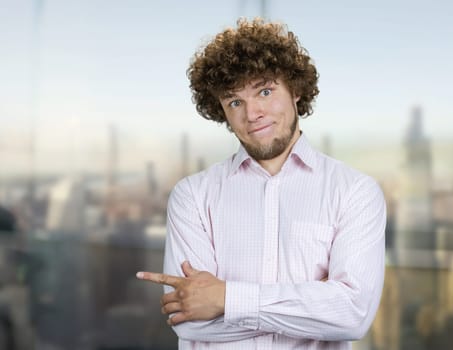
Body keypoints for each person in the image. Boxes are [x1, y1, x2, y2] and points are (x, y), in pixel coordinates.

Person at [136, 18, 386, 349]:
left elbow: (352, 315)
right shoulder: (193, 196)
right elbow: (191, 323)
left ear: (295, 90)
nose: (252, 113)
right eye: (234, 102)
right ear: (221, 111)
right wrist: (315, 304)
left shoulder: (355, 192)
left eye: (265, 91)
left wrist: (224, 297)